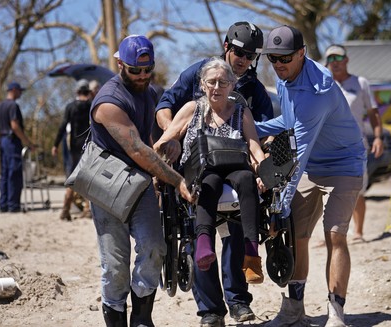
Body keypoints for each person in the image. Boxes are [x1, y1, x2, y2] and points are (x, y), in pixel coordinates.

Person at [154, 21, 273, 327]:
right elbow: (165, 106)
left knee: (236, 226)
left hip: (236, 165)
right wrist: (177, 137)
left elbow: (262, 135)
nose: (244, 59)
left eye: (250, 55)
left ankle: (237, 301)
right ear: (226, 47)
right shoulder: (198, 74)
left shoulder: (252, 91)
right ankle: (210, 310)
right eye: (239, 52)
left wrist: (263, 162)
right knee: (198, 226)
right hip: (198, 164)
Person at [256, 26, 366, 327]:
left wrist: (283, 204)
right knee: (297, 235)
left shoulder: (319, 91)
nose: (278, 64)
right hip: (312, 162)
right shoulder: (286, 79)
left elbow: (298, 153)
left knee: (335, 236)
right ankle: (294, 311)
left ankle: (336, 313)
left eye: (285, 58)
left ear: (302, 54)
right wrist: (252, 128)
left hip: (343, 164)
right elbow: (291, 121)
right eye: (273, 58)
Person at [89, 35, 194, 326]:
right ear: (120, 64)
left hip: (140, 183)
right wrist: (175, 180)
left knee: (154, 247)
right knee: (116, 265)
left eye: (148, 70)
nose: (143, 76)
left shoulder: (149, 92)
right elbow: (137, 150)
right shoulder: (108, 102)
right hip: (107, 185)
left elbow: (148, 140)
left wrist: (168, 142)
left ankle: (142, 318)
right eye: (135, 71)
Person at [153, 57, 266, 280]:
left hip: (235, 164)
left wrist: (262, 172)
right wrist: (171, 144)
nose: (217, 87)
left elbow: (254, 146)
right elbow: (161, 143)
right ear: (203, 85)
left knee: (246, 178)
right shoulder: (191, 109)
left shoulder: (242, 112)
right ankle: (204, 243)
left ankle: (252, 254)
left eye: (223, 83)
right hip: (202, 168)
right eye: (211, 82)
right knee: (209, 182)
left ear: (232, 85)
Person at [325, 44, 384, 242]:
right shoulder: (325, 86)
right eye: (330, 59)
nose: (334, 63)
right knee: (328, 191)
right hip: (329, 147)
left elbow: (373, 113)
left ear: (346, 60)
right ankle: (330, 233)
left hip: (355, 147)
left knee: (357, 190)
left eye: (338, 58)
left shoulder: (361, 83)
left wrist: (378, 137)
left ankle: (358, 232)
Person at [52, 79, 93, 220]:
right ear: (88, 91)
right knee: (88, 177)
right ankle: (87, 209)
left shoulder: (70, 107)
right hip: (88, 145)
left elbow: (63, 125)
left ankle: (65, 208)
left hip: (74, 146)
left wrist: (55, 144)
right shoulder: (91, 105)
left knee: (72, 178)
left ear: (77, 91)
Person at [0, 82, 35, 213]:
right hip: (12, 141)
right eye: (19, 90)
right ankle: (13, 205)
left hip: (3, 140)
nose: (21, 93)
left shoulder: (0, 106)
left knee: (5, 173)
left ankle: (4, 204)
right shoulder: (13, 105)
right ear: (13, 90)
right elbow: (15, 126)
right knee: (14, 173)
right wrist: (27, 142)